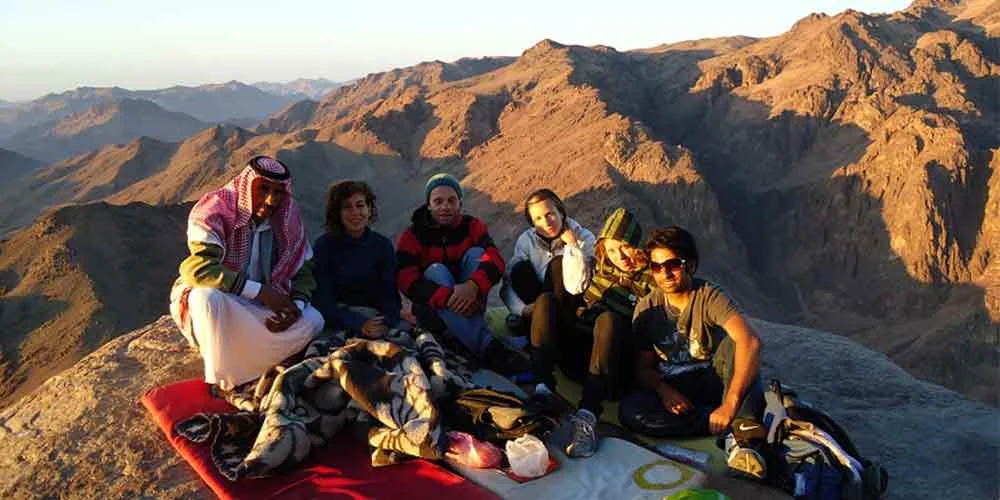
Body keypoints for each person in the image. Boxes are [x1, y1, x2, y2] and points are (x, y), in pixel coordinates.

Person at [621, 226, 766, 477]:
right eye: (656, 267)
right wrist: (664, 391)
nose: (665, 273)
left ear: (690, 264)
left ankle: (743, 439)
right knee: (630, 411)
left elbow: (751, 341)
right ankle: (727, 426)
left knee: (736, 347)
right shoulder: (647, 308)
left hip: (714, 378)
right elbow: (643, 367)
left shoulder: (709, 296)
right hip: (676, 385)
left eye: (672, 264)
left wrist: (730, 402)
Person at [169, 155, 324, 391]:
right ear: (247, 186)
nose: (271, 201)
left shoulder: (286, 218)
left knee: (314, 320)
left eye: (278, 192)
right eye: (263, 189)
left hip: (258, 310)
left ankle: (243, 361)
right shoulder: (216, 210)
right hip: (227, 304)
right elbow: (196, 269)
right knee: (206, 298)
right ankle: (224, 379)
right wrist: (261, 292)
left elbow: (303, 271)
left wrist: (295, 308)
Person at [530, 207, 655, 458]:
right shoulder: (599, 269)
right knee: (546, 301)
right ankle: (543, 391)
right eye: (612, 250)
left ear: (638, 246)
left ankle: (587, 417)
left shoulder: (653, 281)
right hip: (580, 358)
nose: (620, 257)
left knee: (608, 320)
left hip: (613, 369)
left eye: (625, 247)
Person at [396, 173, 528, 373]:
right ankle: (489, 348)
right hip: (435, 310)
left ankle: (466, 339)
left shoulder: (472, 226)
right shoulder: (412, 235)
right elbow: (406, 279)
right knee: (436, 271)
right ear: (428, 205)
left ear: (459, 203)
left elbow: (495, 259)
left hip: (471, 302)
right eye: (438, 201)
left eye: (452, 200)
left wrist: (472, 286)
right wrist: (449, 298)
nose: (445, 206)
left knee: (478, 254)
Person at [312, 180, 405, 338]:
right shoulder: (324, 247)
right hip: (338, 319)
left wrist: (386, 322)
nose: (355, 212)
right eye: (347, 207)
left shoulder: (382, 246)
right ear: (337, 213)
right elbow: (322, 301)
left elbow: (390, 295)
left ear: (369, 209)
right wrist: (359, 323)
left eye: (360, 205)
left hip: (376, 318)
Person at [500, 188, 596, 331]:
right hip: (536, 306)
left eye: (549, 214)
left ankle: (559, 328)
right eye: (538, 219)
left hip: (570, 306)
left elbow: (577, 287)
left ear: (561, 213)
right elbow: (507, 285)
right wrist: (522, 310)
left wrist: (572, 245)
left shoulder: (584, 238)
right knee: (519, 268)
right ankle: (534, 325)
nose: (546, 223)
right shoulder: (526, 241)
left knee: (558, 264)